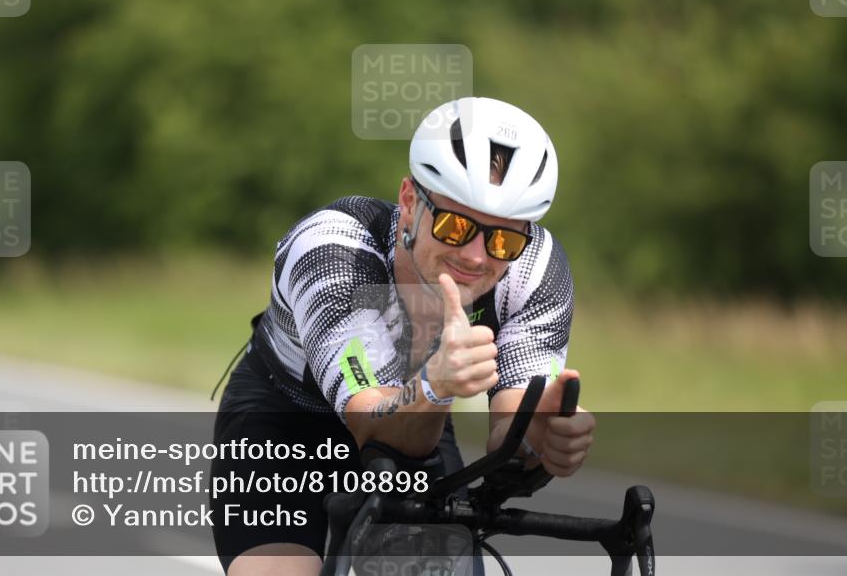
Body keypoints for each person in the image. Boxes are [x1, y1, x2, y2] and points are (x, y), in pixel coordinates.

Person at [210, 97, 596, 576]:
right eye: (456, 226)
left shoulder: (533, 269)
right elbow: (372, 421)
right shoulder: (336, 250)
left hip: (418, 415)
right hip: (288, 421)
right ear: (411, 202)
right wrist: (436, 384)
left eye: (503, 239)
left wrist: (535, 437)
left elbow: (511, 414)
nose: (477, 257)